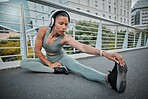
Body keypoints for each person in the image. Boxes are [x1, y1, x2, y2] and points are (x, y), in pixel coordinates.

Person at [20, 9, 128, 93]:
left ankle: (110, 79)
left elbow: (83, 47)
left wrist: (104, 53)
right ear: (52, 22)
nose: (64, 27)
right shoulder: (43, 30)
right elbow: (37, 51)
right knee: (24, 63)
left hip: (62, 58)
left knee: (80, 68)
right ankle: (58, 70)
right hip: (48, 59)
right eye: (61, 23)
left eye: (66, 24)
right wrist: (50, 65)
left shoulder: (65, 38)